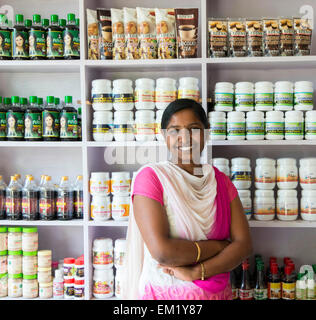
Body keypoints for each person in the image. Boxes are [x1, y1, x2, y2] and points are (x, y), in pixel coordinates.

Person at [123, 99, 252, 300]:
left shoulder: (220, 181)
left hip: (218, 295)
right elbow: (163, 252)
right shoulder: (151, 178)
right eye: (175, 130)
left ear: (206, 133)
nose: (185, 137)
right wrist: (220, 247)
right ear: (164, 136)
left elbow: (243, 245)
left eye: (193, 128)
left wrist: (196, 272)